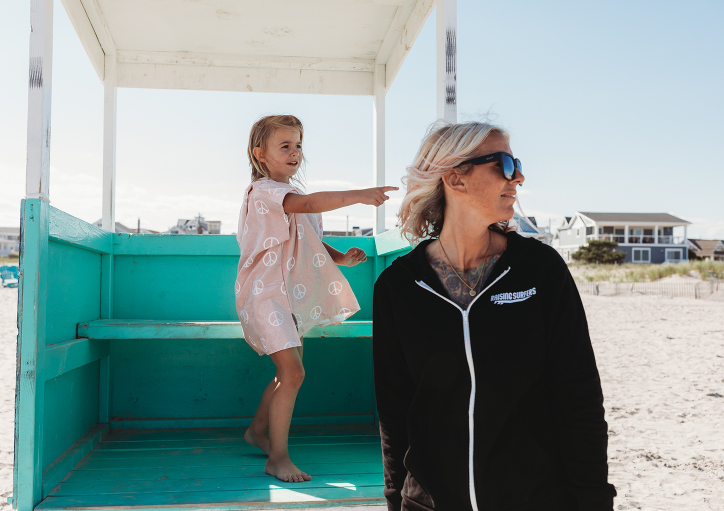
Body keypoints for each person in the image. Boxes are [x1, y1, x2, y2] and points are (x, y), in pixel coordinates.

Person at [373, 121, 616, 510]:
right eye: (503, 164)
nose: (518, 176)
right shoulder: (398, 287)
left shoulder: (539, 269)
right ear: (455, 179)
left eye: (515, 162)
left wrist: (594, 501)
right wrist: (395, 500)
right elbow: (394, 411)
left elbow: (579, 396)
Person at [236, 114, 397, 483]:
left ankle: (256, 432)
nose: (295, 153)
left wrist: (339, 258)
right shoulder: (265, 192)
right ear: (260, 154)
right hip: (264, 296)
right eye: (285, 146)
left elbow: (306, 235)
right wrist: (359, 196)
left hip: (284, 297)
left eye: (298, 145)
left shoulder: (288, 197)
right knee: (293, 372)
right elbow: (308, 206)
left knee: (287, 374)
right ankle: (277, 457)